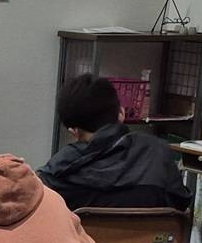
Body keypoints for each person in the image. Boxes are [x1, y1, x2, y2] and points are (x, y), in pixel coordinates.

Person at [38, 72, 188, 213]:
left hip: (85, 233)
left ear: (74, 131)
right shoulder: (157, 152)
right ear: (121, 114)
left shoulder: (57, 171)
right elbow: (180, 203)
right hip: (149, 234)